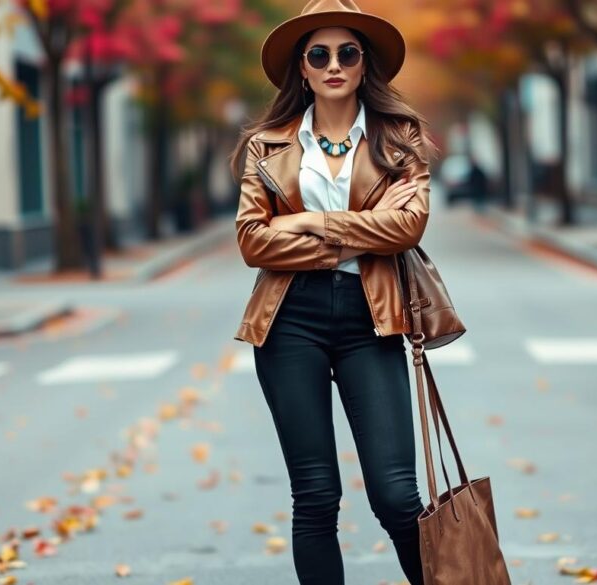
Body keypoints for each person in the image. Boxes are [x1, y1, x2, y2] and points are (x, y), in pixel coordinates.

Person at [226, 1, 438, 583]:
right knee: (315, 497)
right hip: (288, 319)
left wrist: (305, 222)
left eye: (348, 52)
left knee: (397, 495)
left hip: (372, 318)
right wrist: (354, 235)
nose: (334, 64)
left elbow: (408, 227)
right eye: (319, 54)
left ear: (364, 63)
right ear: (302, 68)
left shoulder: (399, 137)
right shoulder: (267, 144)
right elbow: (251, 242)